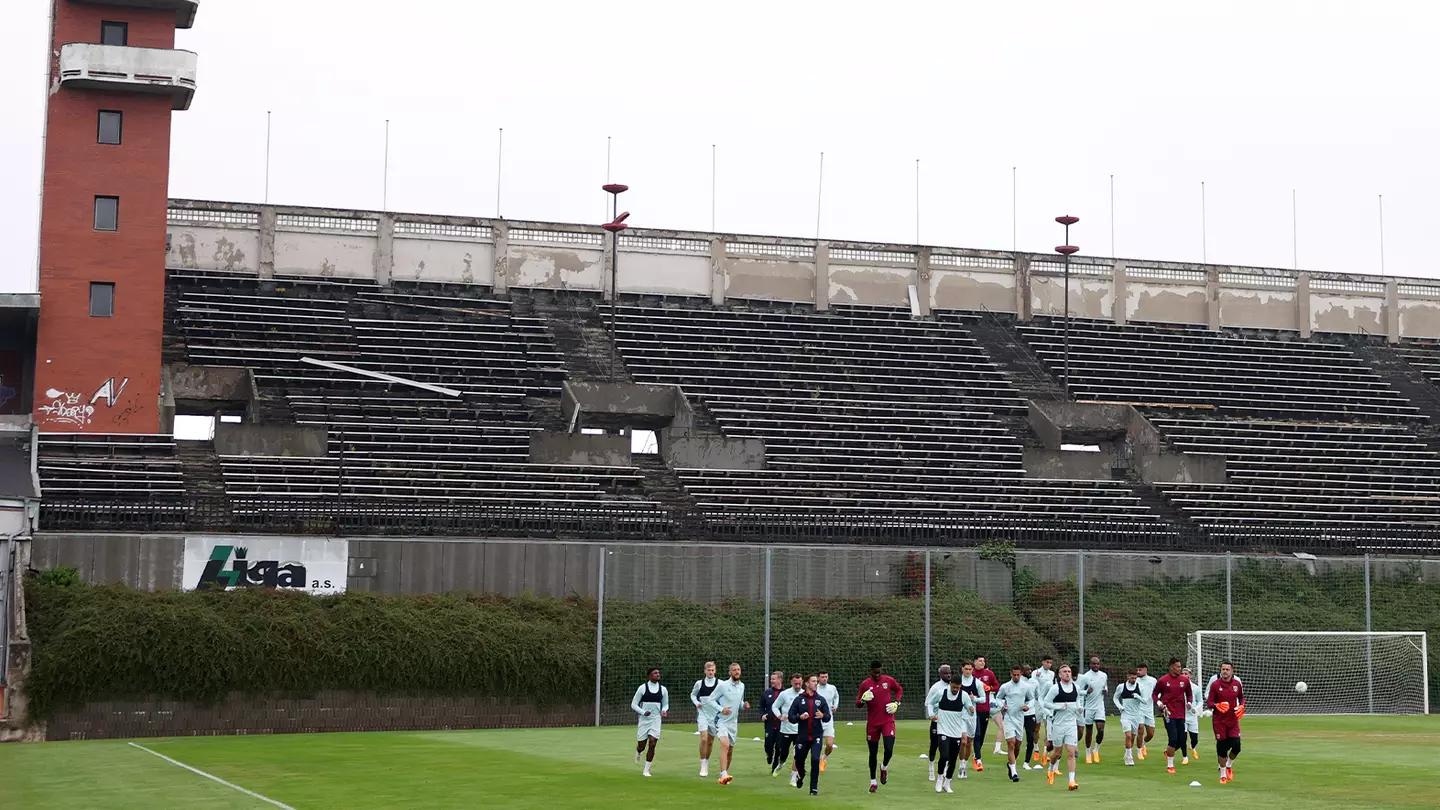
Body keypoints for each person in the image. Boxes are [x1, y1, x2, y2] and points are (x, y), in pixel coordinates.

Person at [857, 659, 903, 793]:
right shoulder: (865, 684)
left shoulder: (888, 680)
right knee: (873, 753)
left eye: (879, 672)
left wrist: (896, 703)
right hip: (872, 723)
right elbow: (858, 704)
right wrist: (862, 700)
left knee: (889, 748)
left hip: (887, 720)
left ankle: (884, 767)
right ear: (871, 671)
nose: (877, 675)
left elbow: (899, 690)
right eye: (875, 672)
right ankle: (873, 782)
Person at [927, 671, 977, 794]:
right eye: (954, 687)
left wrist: (971, 710)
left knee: (953, 759)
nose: (955, 689)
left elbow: (970, 710)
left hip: (956, 731)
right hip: (943, 729)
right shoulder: (941, 693)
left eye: (958, 688)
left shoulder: (964, 696)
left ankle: (947, 783)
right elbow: (930, 703)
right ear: (950, 684)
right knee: (944, 756)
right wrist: (931, 714)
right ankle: (939, 779)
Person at [702, 662, 749, 785]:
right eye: (734, 670)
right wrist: (721, 709)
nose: (737, 672)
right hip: (721, 721)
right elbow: (710, 700)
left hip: (733, 723)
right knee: (725, 745)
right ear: (730, 673)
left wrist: (743, 706)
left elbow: (739, 703)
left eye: (738, 669)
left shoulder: (742, 686)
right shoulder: (723, 686)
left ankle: (724, 774)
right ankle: (723, 774)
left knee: (730, 750)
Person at [787, 674, 831, 796]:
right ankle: (800, 775)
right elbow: (791, 717)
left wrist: (823, 716)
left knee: (815, 759)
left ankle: (813, 788)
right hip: (802, 736)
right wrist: (799, 717)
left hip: (816, 736)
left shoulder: (821, 700)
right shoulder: (799, 699)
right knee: (799, 760)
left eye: (816, 681)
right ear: (806, 684)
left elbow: (828, 717)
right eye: (813, 681)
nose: (816, 683)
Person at [1041, 663, 1082, 790]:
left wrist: (1079, 707)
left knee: (1071, 752)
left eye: (1069, 671)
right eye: (1064, 671)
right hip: (1058, 724)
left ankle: (1071, 781)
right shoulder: (1055, 688)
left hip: (1071, 724)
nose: (1067, 673)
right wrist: (1058, 706)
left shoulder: (1076, 687)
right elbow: (1046, 703)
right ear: (1059, 675)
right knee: (1057, 752)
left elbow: (1078, 699)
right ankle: (1051, 768)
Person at [1153, 657, 1194, 775]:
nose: (1180, 669)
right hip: (1168, 713)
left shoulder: (1184, 681)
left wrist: (1189, 702)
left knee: (1182, 740)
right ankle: (1170, 765)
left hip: (1181, 713)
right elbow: (1155, 694)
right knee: (1173, 738)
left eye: (1180, 666)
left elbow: (1189, 694)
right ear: (1171, 667)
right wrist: (1159, 702)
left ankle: (1167, 753)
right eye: (1178, 666)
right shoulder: (1163, 680)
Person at [994, 665, 1036, 782]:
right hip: (1008, 718)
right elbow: (997, 698)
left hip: (1020, 718)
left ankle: (1011, 764)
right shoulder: (1005, 687)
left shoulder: (1026, 687)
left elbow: (1032, 699)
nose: (1016, 677)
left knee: (1017, 745)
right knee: (1011, 743)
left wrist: (1028, 706)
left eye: (1018, 675)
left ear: (1021, 674)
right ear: (1011, 674)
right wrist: (1003, 705)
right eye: (1014, 675)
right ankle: (1014, 772)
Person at [1207, 661, 1245, 785]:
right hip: (1219, 721)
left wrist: (1242, 706)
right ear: (1220, 670)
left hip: (1233, 719)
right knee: (1222, 747)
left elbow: (1241, 697)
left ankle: (1229, 764)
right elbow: (1209, 703)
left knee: (1237, 745)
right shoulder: (1215, 685)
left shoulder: (1237, 684)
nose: (1225, 671)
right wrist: (1217, 705)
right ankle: (1223, 774)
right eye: (1223, 669)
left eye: (1227, 669)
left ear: (1232, 671)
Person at [631, 667, 670, 776]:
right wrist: (643, 712)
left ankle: (646, 769)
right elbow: (633, 704)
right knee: (642, 745)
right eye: (655, 673)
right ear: (649, 676)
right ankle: (639, 752)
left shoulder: (663, 690)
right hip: (644, 720)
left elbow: (665, 704)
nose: (658, 674)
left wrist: (664, 710)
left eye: (658, 673)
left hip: (656, 719)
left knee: (652, 742)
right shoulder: (642, 688)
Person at [771, 673, 804, 784]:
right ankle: (781, 764)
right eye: (796, 684)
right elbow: (774, 706)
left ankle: (793, 777)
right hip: (786, 729)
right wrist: (779, 716)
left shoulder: (805, 695)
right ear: (791, 682)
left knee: (798, 754)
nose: (798, 686)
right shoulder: (784, 694)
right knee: (784, 754)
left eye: (800, 683)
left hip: (800, 730)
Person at [924, 664, 953, 781]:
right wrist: (936, 708)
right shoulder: (936, 687)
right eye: (946, 673)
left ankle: (944, 770)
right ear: (941, 675)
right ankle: (931, 768)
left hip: (949, 721)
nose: (949, 675)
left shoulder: (954, 687)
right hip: (937, 720)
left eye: (950, 672)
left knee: (947, 746)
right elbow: (927, 702)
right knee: (934, 745)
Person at [690, 661, 720, 777]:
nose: (711, 672)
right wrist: (697, 703)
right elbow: (693, 695)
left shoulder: (720, 684)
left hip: (715, 716)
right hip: (702, 714)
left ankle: (706, 761)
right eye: (709, 670)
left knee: (711, 741)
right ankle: (702, 764)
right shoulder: (699, 683)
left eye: (712, 670)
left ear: (715, 671)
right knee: (703, 739)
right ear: (705, 671)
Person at [1077, 655, 1108, 764]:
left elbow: (1105, 686)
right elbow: (1077, 690)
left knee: (1101, 730)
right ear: (1090, 664)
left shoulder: (1103, 675)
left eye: (1097, 663)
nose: (1096, 665)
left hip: (1100, 706)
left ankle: (1096, 750)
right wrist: (1086, 692)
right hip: (1089, 707)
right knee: (1089, 731)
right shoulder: (1085, 677)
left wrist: (1105, 691)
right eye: (1093, 663)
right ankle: (1088, 752)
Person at [1113, 669, 1148, 767]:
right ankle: (1129, 757)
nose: (1134, 680)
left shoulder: (1140, 687)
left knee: (1132, 737)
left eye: (1135, 678)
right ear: (1128, 676)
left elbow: (1145, 701)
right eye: (1132, 678)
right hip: (1125, 715)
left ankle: (1126, 754)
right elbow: (1115, 698)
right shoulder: (1121, 687)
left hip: (1136, 716)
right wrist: (1120, 707)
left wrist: (1138, 697)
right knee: (1128, 736)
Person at [972, 655, 999, 770]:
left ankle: (976, 755)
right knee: (977, 734)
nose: (982, 663)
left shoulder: (989, 674)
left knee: (982, 735)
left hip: (985, 708)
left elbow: (997, 686)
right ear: (975, 662)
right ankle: (978, 759)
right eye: (980, 661)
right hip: (973, 709)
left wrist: (989, 688)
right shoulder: (971, 674)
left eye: (983, 661)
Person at [1031, 656, 1057, 765]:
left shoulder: (1052, 674)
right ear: (1043, 662)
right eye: (1047, 662)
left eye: (1050, 663)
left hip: (1048, 704)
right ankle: (1036, 749)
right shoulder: (1036, 673)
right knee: (1036, 728)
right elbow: (1033, 685)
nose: (1049, 664)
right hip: (1038, 703)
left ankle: (1045, 753)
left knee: (1048, 728)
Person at [816, 670, 841, 772]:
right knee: (815, 745)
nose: (824, 679)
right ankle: (814, 763)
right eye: (822, 677)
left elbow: (836, 696)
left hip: (828, 719)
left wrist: (835, 705)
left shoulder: (832, 688)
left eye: (826, 677)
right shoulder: (814, 688)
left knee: (830, 744)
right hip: (816, 719)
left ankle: (824, 759)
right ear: (818, 678)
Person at [759, 671, 784, 769]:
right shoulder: (766, 693)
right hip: (769, 724)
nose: (771, 681)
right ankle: (769, 754)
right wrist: (762, 715)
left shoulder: (785, 693)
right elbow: (761, 707)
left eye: (774, 679)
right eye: (771, 679)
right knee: (768, 746)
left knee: (779, 746)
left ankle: (775, 765)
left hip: (781, 725)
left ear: (780, 680)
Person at [1134, 663, 1158, 760]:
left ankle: (1144, 744)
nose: (1138, 672)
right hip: (1139, 709)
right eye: (1137, 670)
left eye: (1140, 670)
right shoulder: (1135, 681)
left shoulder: (1153, 680)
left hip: (1149, 710)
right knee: (1140, 729)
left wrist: (1159, 700)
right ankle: (1139, 751)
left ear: (1145, 670)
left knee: (1151, 733)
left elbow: (1157, 692)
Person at [1020, 664, 1041, 770]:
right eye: (1027, 669)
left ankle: (1026, 762)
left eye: (1030, 669)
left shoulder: (1034, 682)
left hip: (1030, 714)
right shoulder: (1018, 681)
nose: (1030, 671)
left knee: (1031, 737)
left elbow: (1037, 697)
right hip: (1018, 714)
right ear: (1022, 671)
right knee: (1016, 740)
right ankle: (1012, 761)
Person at [1181, 666, 1203, 764]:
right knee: (1183, 738)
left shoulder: (1196, 688)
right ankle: (1185, 757)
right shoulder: (1179, 687)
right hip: (1182, 716)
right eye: (1183, 673)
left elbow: (1200, 701)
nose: (1184, 675)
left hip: (1192, 716)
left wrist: (1195, 709)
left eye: (1186, 674)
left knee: (1195, 739)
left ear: (1190, 675)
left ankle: (1192, 747)